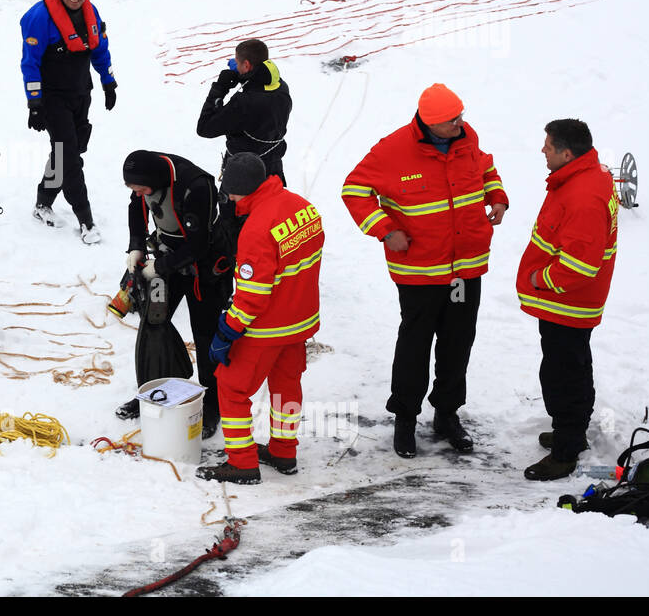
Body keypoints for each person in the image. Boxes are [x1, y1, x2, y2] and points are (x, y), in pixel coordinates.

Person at [341, 84, 508, 458]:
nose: (461, 124)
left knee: (457, 342)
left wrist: (496, 195)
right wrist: (385, 229)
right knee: (415, 346)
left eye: (461, 116)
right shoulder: (392, 150)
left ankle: (447, 415)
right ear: (431, 124)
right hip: (420, 271)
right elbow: (354, 189)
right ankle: (405, 419)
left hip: (464, 269)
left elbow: (485, 167)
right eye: (453, 120)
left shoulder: (467, 137)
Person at [196, 154, 325, 484]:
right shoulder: (303, 207)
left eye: (232, 193)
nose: (231, 200)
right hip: (300, 321)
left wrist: (228, 330)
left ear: (245, 189)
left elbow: (254, 295)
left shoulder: (256, 229)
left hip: (267, 327)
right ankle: (284, 452)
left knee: (231, 387)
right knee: (285, 386)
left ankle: (242, 463)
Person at [518, 119, 618, 481]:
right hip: (569, 301)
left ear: (566, 152)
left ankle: (565, 453)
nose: (542, 151)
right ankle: (570, 434)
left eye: (548, 146)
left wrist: (540, 278)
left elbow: (579, 265)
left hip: (567, 300)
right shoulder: (584, 176)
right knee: (573, 366)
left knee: (562, 375)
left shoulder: (583, 195)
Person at [119, 150, 229, 437]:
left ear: (153, 181)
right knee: (154, 323)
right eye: (133, 189)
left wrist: (160, 267)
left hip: (205, 265)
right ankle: (153, 390)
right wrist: (136, 246)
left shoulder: (195, 186)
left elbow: (199, 245)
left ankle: (212, 405)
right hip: (167, 255)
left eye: (140, 188)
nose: (137, 193)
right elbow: (137, 210)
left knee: (204, 333)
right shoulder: (145, 182)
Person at [21, 0, 116, 244]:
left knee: (69, 151)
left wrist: (108, 82)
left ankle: (43, 202)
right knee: (69, 157)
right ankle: (86, 220)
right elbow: (30, 64)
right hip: (53, 100)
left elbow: (100, 49)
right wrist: (34, 103)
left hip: (80, 93)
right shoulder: (39, 17)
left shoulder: (91, 12)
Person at [196, 38, 292, 184]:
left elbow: (205, 128)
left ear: (247, 65)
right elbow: (260, 86)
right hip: (273, 169)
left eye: (238, 62)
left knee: (233, 207)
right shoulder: (280, 86)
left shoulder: (244, 103)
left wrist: (219, 89)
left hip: (243, 175)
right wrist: (244, 75)